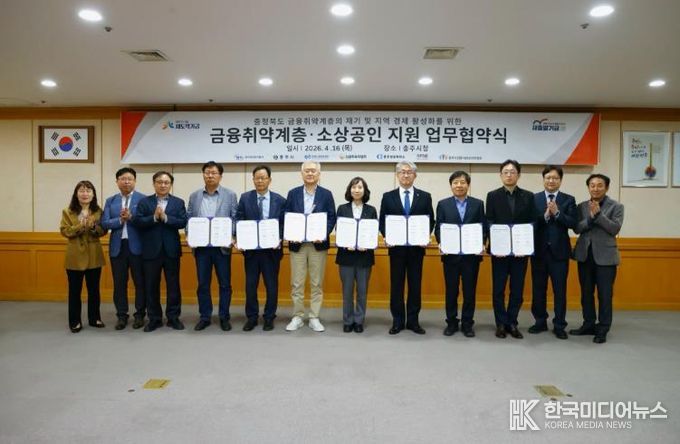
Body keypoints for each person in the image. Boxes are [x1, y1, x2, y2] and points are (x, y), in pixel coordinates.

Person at [379, 161, 434, 335]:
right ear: (397, 175)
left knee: (415, 285)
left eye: (409, 172)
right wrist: (387, 236)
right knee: (396, 285)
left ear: (415, 175)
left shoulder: (425, 196)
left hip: (416, 249)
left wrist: (425, 236)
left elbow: (430, 220)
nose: (406, 175)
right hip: (396, 249)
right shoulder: (388, 196)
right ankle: (397, 321)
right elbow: (383, 221)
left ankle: (413, 321)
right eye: (402, 172)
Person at [570, 173, 624, 344]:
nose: (596, 188)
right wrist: (590, 218)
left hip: (606, 258)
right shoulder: (581, 206)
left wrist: (599, 216)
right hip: (585, 256)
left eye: (600, 185)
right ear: (588, 187)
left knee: (605, 295)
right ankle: (588, 324)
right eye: (592, 185)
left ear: (606, 187)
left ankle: (603, 328)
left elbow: (614, 228)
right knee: (586, 294)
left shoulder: (616, 206)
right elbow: (577, 228)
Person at [485, 159, 536, 339]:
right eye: (505, 172)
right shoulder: (493, 196)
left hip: (520, 252)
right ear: (500, 175)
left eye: (512, 172)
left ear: (518, 175)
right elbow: (489, 220)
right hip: (499, 251)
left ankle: (512, 322)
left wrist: (525, 242)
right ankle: (500, 323)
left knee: (517, 289)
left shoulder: (528, 196)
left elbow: (533, 221)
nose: (509, 175)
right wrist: (495, 242)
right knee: (498, 289)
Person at [283, 161, 336, 332]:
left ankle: (314, 316)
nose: (310, 173)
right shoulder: (293, 193)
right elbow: (286, 216)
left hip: (317, 245)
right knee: (297, 283)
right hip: (297, 245)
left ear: (319, 174)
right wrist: (290, 234)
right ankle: (298, 316)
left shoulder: (326, 194)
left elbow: (332, 217)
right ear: (302, 174)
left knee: (316, 282)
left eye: (313, 171)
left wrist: (324, 233)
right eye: (307, 171)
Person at [132, 171, 188, 332]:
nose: (163, 185)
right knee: (151, 286)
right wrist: (154, 218)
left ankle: (173, 317)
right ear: (154, 184)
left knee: (173, 286)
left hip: (171, 251)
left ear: (171, 185)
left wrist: (165, 218)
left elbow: (182, 221)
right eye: (159, 182)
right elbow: (138, 221)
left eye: (166, 182)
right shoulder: (144, 202)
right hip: (151, 251)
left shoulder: (178, 202)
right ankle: (154, 318)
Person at [186, 161, 238, 332]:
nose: (210, 175)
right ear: (203, 175)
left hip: (222, 247)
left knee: (225, 284)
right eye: (207, 172)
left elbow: (235, 218)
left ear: (220, 176)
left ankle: (224, 316)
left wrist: (231, 235)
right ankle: (205, 316)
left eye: (214, 173)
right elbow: (189, 219)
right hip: (201, 248)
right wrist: (189, 234)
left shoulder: (230, 195)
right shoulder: (194, 196)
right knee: (203, 284)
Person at [434, 171, 485, 338]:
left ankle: (468, 324)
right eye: (455, 182)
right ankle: (451, 322)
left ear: (468, 185)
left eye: (462, 182)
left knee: (469, 292)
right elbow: (438, 228)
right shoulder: (443, 204)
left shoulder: (478, 204)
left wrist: (481, 243)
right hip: (451, 256)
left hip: (471, 256)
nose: (459, 185)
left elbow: (482, 227)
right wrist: (442, 243)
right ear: (451, 185)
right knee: (451, 291)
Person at [235, 165, 286, 331]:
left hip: (272, 251)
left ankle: (269, 317)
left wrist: (279, 238)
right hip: (251, 251)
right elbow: (239, 220)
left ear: (269, 180)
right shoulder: (245, 198)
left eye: (263, 178)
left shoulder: (280, 200)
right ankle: (252, 317)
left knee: (271, 286)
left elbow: (284, 224)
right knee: (250, 286)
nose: (260, 181)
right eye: (257, 178)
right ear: (253, 180)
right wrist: (239, 238)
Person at [529, 165, 577, 340]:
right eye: (548, 177)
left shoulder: (568, 200)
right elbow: (530, 223)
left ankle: (559, 325)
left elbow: (573, 223)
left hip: (560, 253)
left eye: (555, 178)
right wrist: (545, 216)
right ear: (543, 179)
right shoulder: (533, 199)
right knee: (538, 289)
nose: (551, 181)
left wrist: (557, 214)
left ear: (560, 180)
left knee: (560, 291)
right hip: (539, 252)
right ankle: (540, 321)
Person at [101, 167, 147, 330]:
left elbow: (146, 222)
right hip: (117, 247)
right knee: (119, 283)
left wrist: (131, 218)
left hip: (138, 248)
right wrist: (120, 221)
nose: (126, 182)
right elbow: (105, 223)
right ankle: (121, 315)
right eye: (123, 179)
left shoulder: (144, 199)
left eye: (130, 179)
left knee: (140, 283)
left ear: (135, 181)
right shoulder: (111, 201)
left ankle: (140, 315)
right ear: (117, 181)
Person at [59, 180, 107, 333]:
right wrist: (80, 225)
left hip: (94, 254)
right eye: (81, 191)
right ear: (76, 194)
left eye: (88, 191)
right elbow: (65, 231)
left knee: (94, 290)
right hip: (74, 256)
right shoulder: (68, 211)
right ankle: (75, 321)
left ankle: (95, 318)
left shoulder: (98, 211)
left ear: (93, 194)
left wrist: (93, 227)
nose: (85, 194)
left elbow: (103, 231)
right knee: (74, 291)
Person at [336, 177, 377, 333]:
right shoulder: (342, 208)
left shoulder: (371, 210)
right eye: (354, 187)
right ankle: (347, 320)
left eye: (360, 187)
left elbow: (373, 231)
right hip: (346, 256)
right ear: (349, 190)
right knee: (347, 291)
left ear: (365, 191)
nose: (357, 190)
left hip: (364, 257)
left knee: (362, 291)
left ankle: (359, 320)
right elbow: (339, 230)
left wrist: (367, 244)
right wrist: (345, 243)